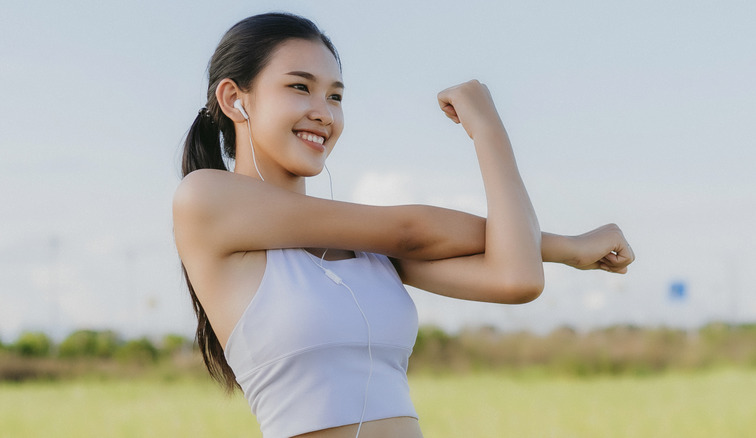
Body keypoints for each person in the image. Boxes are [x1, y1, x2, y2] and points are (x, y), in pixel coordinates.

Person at [173, 12, 634, 438]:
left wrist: (490, 130)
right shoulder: (205, 199)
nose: (325, 112)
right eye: (300, 87)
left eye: (335, 96)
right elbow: (411, 230)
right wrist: (565, 246)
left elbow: (516, 278)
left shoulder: (368, 249)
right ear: (235, 98)